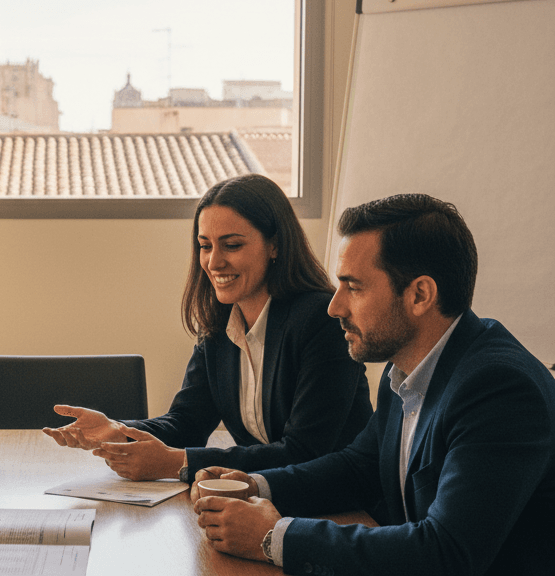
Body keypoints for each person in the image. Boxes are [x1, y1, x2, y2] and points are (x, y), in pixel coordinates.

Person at [193, 194, 555, 575]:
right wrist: (255, 485)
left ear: (419, 295)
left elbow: (446, 553)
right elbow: (359, 468)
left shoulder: (499, 388)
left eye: (354, 287)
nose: (334, 306)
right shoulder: (405, 367)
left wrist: (275, 536)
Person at [43, 174, 372, 482]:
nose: (214, 262)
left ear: (275, 245)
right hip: (263, 500)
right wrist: (117, 430)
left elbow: (303, 452)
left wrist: (178, 463)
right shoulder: (219, 326)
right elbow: (187, 422)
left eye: (232, 245)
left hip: (341, 509)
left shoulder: (322, 320)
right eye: (205, 245)